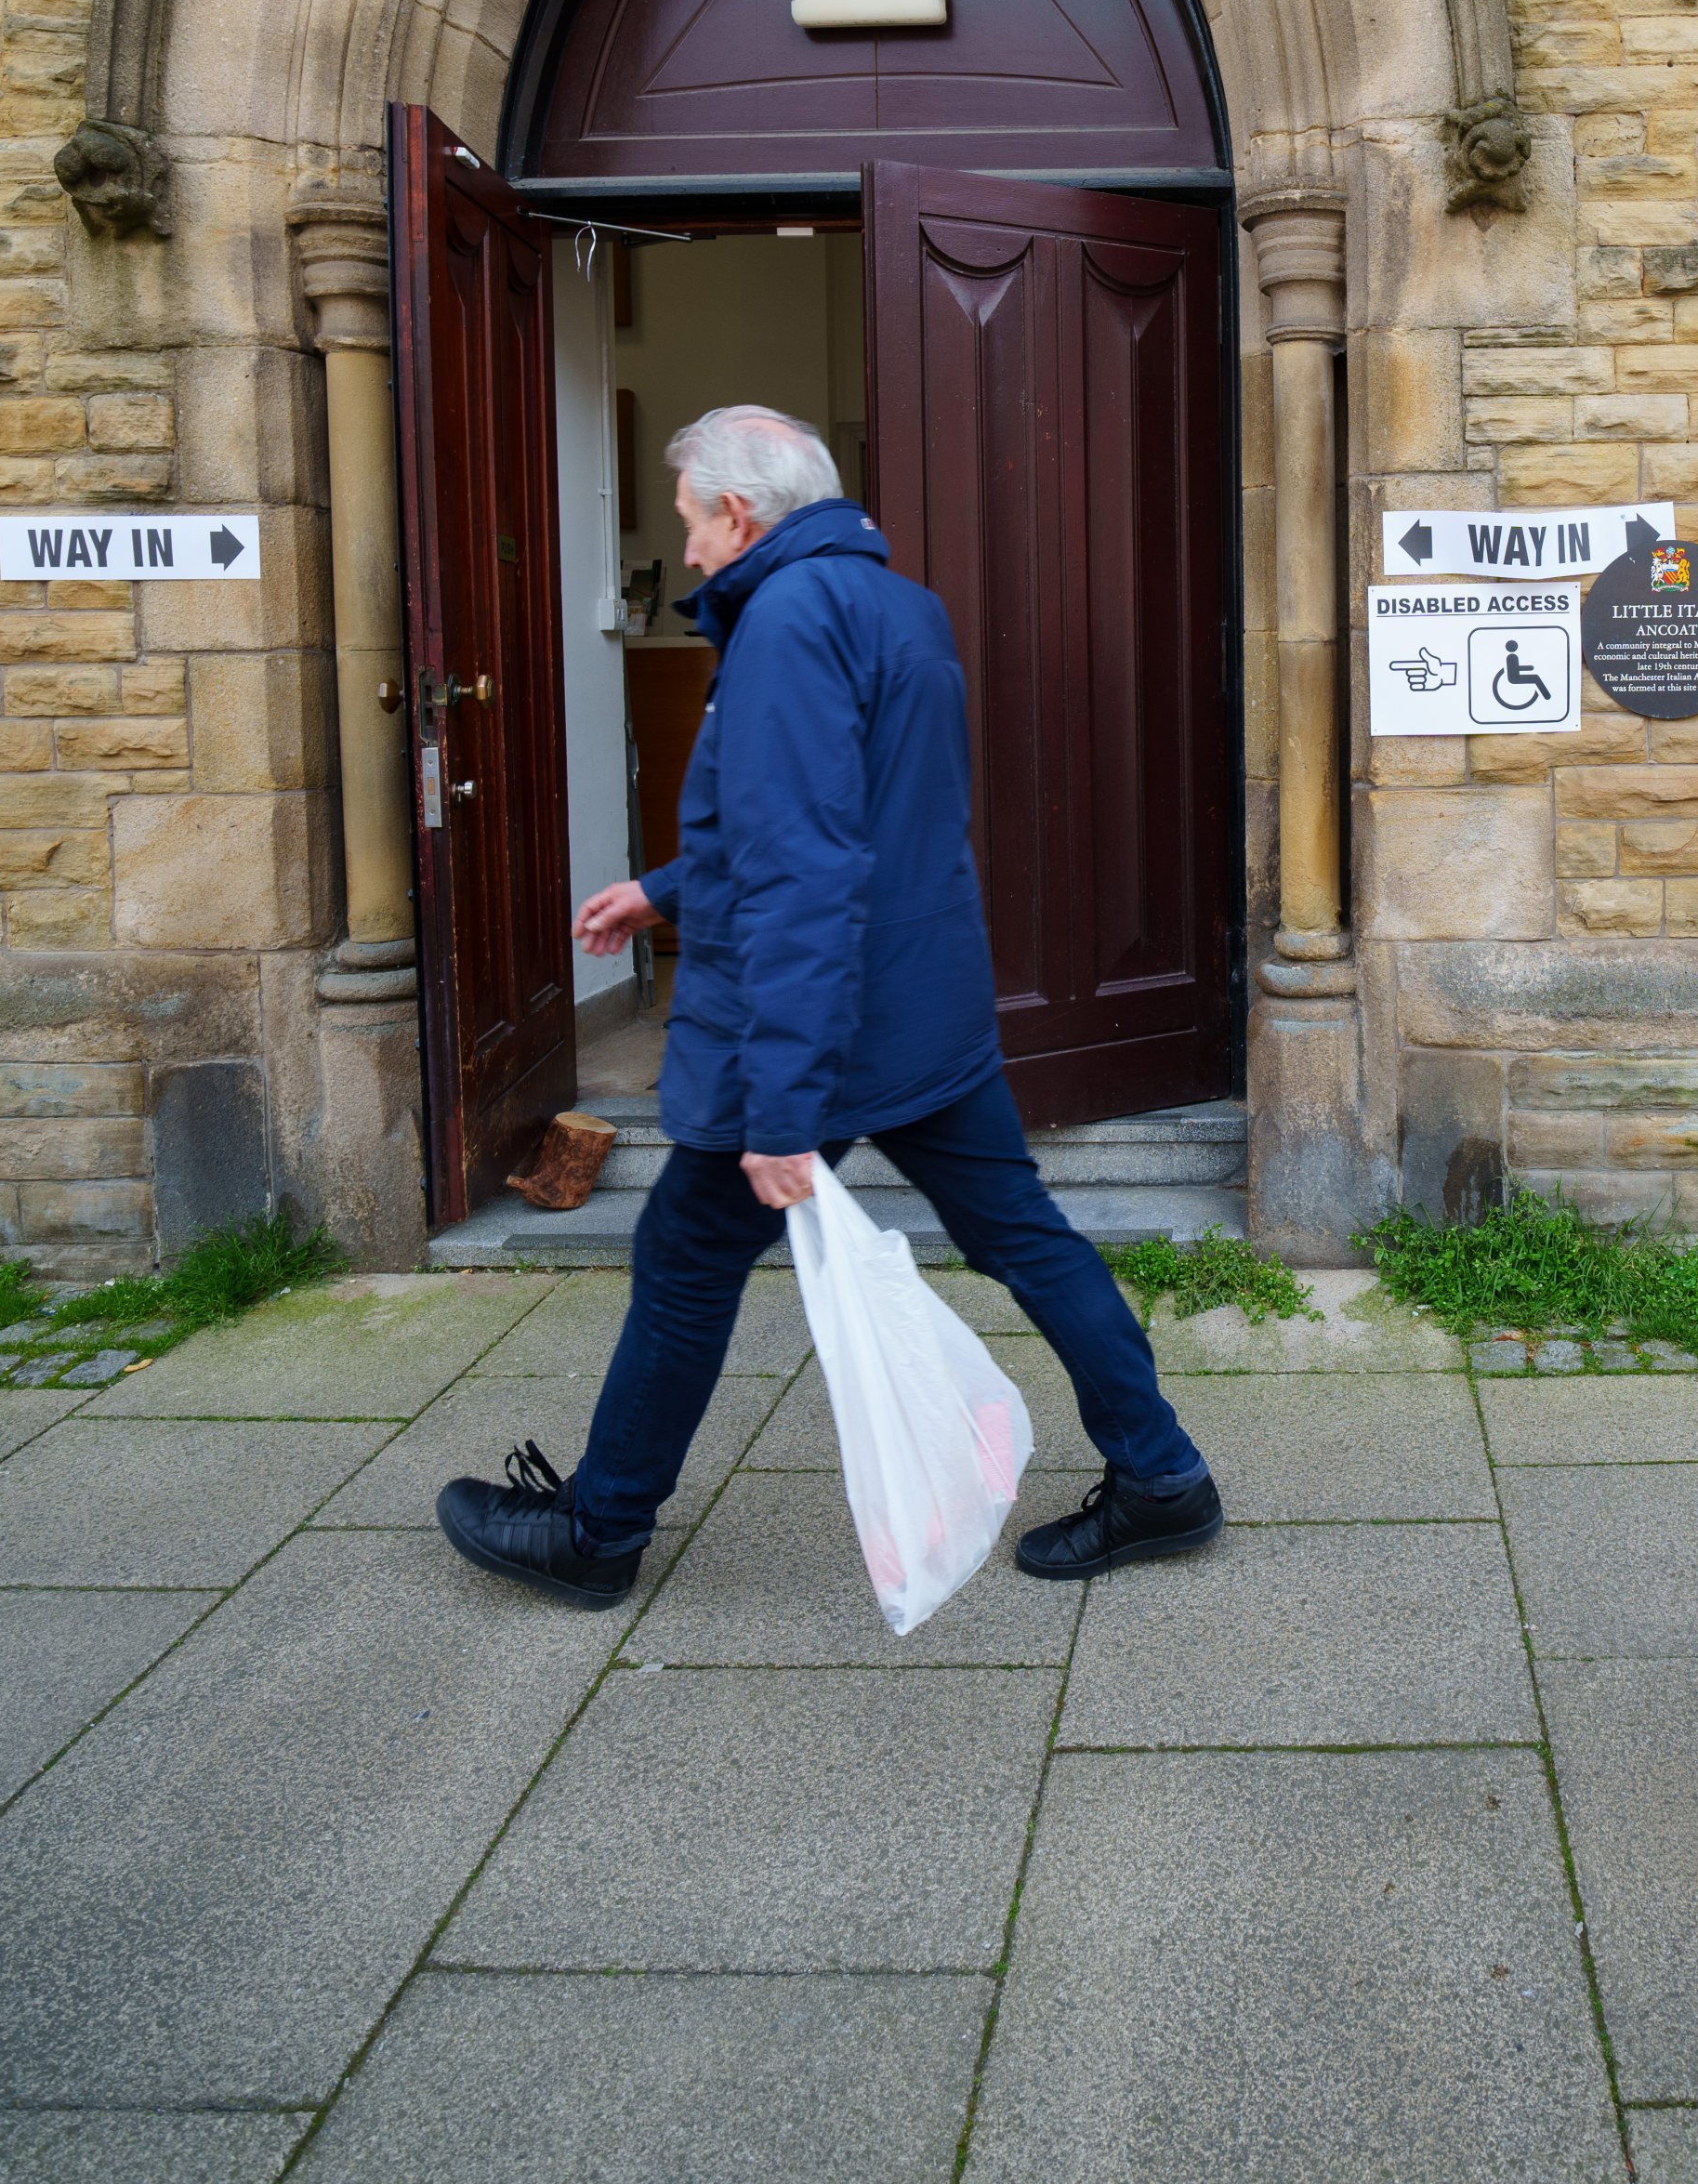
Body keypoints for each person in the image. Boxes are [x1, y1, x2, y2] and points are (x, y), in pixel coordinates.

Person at [437, 403, 1222, 1607]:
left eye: (694, 522)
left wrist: (785, 1111)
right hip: (927, 1017)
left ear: (741, 515)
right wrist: (664, 889)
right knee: (1025, 1236)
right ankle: (1162, 1472)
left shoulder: (789, 625)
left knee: (685, 1255)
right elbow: (849, 821)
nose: (690, 549)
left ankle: (598, 1533)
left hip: (819, 1036)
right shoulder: (899, 605)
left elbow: (809, 870)